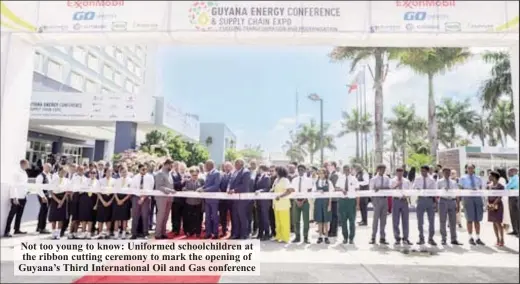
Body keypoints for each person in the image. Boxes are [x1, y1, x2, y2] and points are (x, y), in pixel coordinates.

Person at [459, 164, 485, 246]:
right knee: (469, 219)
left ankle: (478, 237)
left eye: (471, 168)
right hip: (468, 199)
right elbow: (460, 189)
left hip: (477, 198)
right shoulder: (462, 178)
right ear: (466, 169)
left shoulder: (478, 178)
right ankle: (470, 237)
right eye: (468, 168)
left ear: (474, 169)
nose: (470, 169)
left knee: (477, 219)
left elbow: (481, 188)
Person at [4, 159, 30, 238]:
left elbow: (23, 184)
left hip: (23, 196)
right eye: (27, 164)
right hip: (17, 197)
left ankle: (17, 229)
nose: (28, 165)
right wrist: (14, 197)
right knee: (12, 214)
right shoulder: (16, 173)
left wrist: (26, 191)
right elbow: (13, 185)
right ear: (23, 164)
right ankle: (7, 231)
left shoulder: (24, 172)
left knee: (19, 214)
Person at [413, 165, 438, 246]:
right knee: (420, 221)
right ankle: (421, 238)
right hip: (420, 200)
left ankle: (431, 238)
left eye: (424, 171)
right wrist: (417, 189)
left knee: (431, 220)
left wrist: (435, 203)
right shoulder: (417, 178)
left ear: (427, 171)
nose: (422, 172)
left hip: (429, 200)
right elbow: (413, 188)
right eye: (421, 171)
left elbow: (435, 191)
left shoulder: (432, 179)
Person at [437, 168, 462, 246]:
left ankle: (454, 239)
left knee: (453, 222)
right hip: (443, 201)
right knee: (442, 221)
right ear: (443, 173)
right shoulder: (439, 182)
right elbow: (435, 192)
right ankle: (443, 239)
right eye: (445, 172)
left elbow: (457, 193)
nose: (447, 173)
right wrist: (442, 190)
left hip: (452, 201)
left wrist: (458, 204)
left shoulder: (454, 182)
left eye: (449, 172)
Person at [289, 164, 313, 244]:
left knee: (306, 221)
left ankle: (306, 237)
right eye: (299, 170)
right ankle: (297, 237)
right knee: (296, 220)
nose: (300, 171)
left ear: (305, 170)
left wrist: (302, 201)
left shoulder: (308, 180)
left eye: (302, 170)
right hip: (296, 202)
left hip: (305, 202)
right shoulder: (294, 180)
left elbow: (309, 191)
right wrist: (296, 200)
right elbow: (292, 191)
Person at [228, 159, 251, 240]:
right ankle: (236, 234)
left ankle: (244, 235)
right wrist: (229, 189)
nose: (235, 165)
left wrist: (234, 190)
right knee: (235, 217)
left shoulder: (246, 172)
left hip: (242, 200)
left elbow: (245, 186)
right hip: (234, 199)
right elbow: (231, 182)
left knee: (242, 217)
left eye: (236, 163)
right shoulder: (235, 172)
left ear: (241, 164)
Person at [129, 164, 154, 239]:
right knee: (135, 216)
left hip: (146, 198)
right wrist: (138, 197)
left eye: (145, 169)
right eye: (143, 169)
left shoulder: (150, 177)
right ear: (139, 169)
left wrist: (143, 197)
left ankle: (145, 233)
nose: (144, 170)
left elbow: (151, 188)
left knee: (145, 216)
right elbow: (132, 188)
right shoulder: (135, 177)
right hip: (136, 198)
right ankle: (134, 233)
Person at [369, 164, 391, 245]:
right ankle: (373, 237)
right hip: (377, 200)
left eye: (384, 169)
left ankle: (382, 237)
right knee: (375, 220)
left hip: (384, 200)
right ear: (378, 169)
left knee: (383, 220)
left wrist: (380, 188)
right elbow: (371, 191)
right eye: (381, 169)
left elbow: (389, 188)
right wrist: (373, 202)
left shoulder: (387, 178)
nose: (383, 171)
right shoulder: (373, 179)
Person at [337, 165, 359, 244]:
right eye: (345, 169)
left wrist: (357, 204)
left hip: (351, 201)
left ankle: (351, 238)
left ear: (350, 170)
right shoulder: (340, 178)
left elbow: (357, 190)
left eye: (348, 169)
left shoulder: (354, 178)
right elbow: (336, 187)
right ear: (343, 170)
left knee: (352, 221)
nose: (346, 171)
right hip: (342, 201)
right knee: (343, 221)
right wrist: (341, 189)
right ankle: (345, 237)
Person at [200, 160, 221, 239]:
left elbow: (216, 186)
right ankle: (208, 233)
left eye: (206, 165)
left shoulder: (217, 173)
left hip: (214, 199)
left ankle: (215, 234)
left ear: (210, 165)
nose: (205, 167)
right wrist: (201, 188)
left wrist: (204, 190)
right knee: (207, 217)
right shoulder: (208, 173)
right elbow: (206, 185)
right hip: (207, 199)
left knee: (215, 217)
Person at [391, 167, 412, 245]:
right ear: (396, 173)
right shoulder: (392, 180)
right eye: (398, 172)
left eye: (401, 172)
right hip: (396, 200)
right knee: (395, 221)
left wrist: (406, 196)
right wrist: (397, 185)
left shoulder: (407, 181)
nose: (399, 173)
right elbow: (390, 190)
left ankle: (406, 238)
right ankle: (397, 238)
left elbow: (410, 191)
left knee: (405, 220)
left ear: (403, 173)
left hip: (404, 201)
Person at [182, 167, 205, 237]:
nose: (195, 176)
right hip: (189, 202)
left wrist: (201, 189)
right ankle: (190, 231)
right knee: (189, 218)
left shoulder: (201, 181)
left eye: (196, 175)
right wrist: (185, 189)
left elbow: (204, 188)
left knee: (198, 218)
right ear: (191, 175)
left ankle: (197, 232)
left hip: (198, 203)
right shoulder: (187, 182)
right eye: (193, 175)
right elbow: (183, 189)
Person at [313, 168, 334, 244]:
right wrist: (318, 191)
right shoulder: (316, 182)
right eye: (320, 173)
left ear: (325, 174)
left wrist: (329, 204)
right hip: (318, 202)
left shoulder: (329, 182)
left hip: (326, 202)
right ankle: (320, 236)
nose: (321, 174)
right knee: (319, 220)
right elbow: (313, 191)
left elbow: (331, 194)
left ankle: (326, 237)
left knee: (326, 220)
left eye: (323, 173)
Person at [272, 166, 292, 243]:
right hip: (276, 204)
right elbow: (273, 190)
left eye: (275, 171)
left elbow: (289, 191)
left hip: (283, 204)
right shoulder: (276, 180)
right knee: (278, 221)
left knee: (284, 221)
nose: (274, 172)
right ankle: (278, 236)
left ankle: (285, 237)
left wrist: (280, 196)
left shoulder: (285, 180)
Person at [48, 166, 69, 239]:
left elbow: (67, 192)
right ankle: (53, 233)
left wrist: (62, 201)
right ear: (59, 171)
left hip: (63, 198)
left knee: (61, 218)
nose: (63, 173)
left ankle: (58, 234)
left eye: (65, 172)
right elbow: (50, 191)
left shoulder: (67, 180)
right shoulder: (54, 179)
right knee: (54, 217)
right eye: (62, 171)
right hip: (55, 198)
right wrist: (57, 200)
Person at [76, 170, 98, 239]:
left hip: (93, 199)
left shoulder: (98, 182)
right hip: (84, 199)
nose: (92, 174)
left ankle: (88, 233)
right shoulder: (85, 181)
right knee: (84, 217)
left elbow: (99, 193)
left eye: (94, 173)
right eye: (91, 173)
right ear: (89, 174)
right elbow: (80, 191)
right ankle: (83, 232)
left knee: (90, 217)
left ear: (96, 174)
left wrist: (96, 204)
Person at [112, 167, 132, 239]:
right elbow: (114, 191)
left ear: (127, 172)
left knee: (124, 218)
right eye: (122, 172)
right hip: (117, 199)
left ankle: (123, 233)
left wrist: (123, 200)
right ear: (120, 172)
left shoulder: (130, 180)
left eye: (125, 172)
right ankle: (116, 233)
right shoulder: (117, 180)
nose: (124, 173)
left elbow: (130, 193)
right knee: (116, 218)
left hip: (125, 200)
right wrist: (118, 200)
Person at [96, 168, 115, 239]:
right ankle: (100, 233)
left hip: (110, 199)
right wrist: (103, 201)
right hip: (102, 200)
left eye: (110, 171)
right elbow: (98, 192)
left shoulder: (114, 181)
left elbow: (115, 192)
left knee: (109, 218)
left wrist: (110, 201)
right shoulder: (100, 181)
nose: (109, 173)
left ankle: (107, 233)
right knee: (100, 217)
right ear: (105, 172)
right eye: (107, 171)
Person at [487, 171, 505, 246]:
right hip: (490, 205)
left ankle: (502, 239)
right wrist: (488, 204)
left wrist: (494, 204)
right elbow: (487, 195)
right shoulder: (489, 186)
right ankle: (497, 239)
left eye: (490, 176)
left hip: (498, 205)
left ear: (494, 177)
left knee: (498, 223)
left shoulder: (501, 186)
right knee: (494, 223)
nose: (489, 177)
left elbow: (500, 197)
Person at [35, 163, 52, 234]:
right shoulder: (40, 176)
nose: (49, 169)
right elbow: (38, 188)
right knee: (43, 212)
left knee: (43, 211)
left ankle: (39, 227)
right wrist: (43, 196)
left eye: (50, 167)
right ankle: (42, 228)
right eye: (48, 167)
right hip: (43, 196)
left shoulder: (49, 175)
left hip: (48, 195)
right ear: (44, 167)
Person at [219, 162, 233, 237]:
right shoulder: (222, 175)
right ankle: (223, 231)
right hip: (222, 200)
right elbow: (219, 184)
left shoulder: (233, 175)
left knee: (232, 216)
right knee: (222, 216)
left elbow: (230, 184)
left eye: (228, 167)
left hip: (230, 200)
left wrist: (228, 190)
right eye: (225, 167)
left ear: (231, 167)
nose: (227, 168)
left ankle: (232, 232)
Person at [170, 161, 185, 236]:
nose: (177, 167)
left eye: (178, 166)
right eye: (176, 166)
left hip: (181, 199)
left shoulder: (180, 174)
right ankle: (174, 229)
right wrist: (180, 182)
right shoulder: (171, 174)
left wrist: (184, 183)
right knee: (175, 214)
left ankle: (178, 229)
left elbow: (182, 185)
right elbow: (172, 184)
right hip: (175, 199)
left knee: (179, 215)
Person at [496, 168, 511, 234]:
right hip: (504, 198)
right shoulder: (503, 179)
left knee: (504, 212)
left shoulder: (501, 179)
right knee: (505, 212)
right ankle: (505, 226)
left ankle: (505, 227)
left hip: (502, 198)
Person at [327, 162, 340, 238]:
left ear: (334, 166)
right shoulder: (331, 174)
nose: (329, 167)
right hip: (331, 197)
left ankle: (334, 231)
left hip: (334, 198)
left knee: (334, 215)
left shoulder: (335, 175)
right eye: (328, 166)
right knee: (332, 215)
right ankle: (331, 230)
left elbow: (334, 187)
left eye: (330, 165)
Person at [506, 167, 519, 237]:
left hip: (515, 198)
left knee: (516, 214)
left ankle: (517, 230)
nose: (508, 173)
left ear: (513, 171)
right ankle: (515, 230)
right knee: (512, 214)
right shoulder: (512, 178)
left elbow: (509, 186)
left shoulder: (515, 178)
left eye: (509, 172)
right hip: (512, 197)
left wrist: (506, 186)